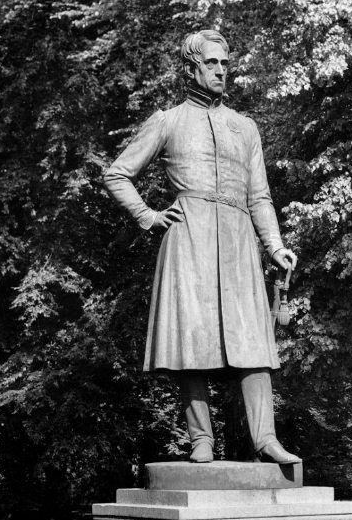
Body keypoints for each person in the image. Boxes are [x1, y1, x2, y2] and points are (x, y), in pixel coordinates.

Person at [103, 28, 299, 464]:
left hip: (238, 239)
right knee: (191, 341)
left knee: (253, 341)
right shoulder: (168, 121)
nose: (221, 71)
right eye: (212, 63)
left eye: (225, 64)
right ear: (191, 68)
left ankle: (265, 438)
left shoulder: (245, 127)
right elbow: (117, 174)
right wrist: (148, 216)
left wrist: (274, 244)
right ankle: (201, 440)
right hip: (187, 236)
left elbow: (260, 196)